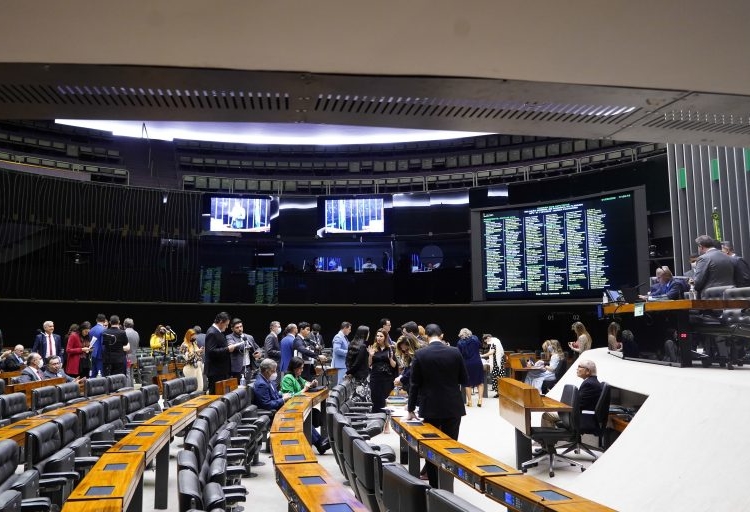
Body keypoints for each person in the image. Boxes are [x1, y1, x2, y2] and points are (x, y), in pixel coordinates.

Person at [405, 324, 468, 488]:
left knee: (431, 448)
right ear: (442, 335)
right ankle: (448, 486)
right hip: (453, 407)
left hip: (430, 407)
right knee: (451, 447)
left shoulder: (420, 353)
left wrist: (411, 408)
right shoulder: (455, 352)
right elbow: (464, 380)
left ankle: (434, 487)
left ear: (426, 336)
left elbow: (414, 384)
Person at [280, 357, 330, 454]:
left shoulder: (297, 377)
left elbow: (306, 384)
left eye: (302, 368)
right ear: (294, 368)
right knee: (304, 418)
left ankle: (320, 441)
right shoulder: (288, 378)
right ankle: (319, 443)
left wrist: (312, 384)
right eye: (300, 368)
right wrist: (304, 390)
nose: (302, 370)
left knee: (311, 415)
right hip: (288, 408)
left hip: (298, 406)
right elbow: (288, 397)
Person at [542, 359, 603, 428]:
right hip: (580, 413)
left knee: (546, 415)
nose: (577, 369)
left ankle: (548, 438)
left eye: (579, 367)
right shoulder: (591, 382)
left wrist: (563, 407)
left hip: (581, 417)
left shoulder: (589, 384)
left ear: (588, 371)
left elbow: (579, 404)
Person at [368, 328, 397, 432]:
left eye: (381, 336)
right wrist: (370, 356)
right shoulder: (373, 348)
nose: (378, 338)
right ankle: (376, 424)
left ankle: (386, 424)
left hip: (387, 378)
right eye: (377, 336)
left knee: (385, 401)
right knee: (376, 400)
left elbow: (394, 366)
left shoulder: (390, 349)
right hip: (375, 377)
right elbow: (369, 365)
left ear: (385, 337)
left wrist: (390, 359)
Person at [205, 312, 239, 393]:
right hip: (215, 372)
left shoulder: (218, 331)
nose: (227, 327)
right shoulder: (212, 332)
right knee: (215, 397)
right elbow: (211, 352)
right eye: (226, 324)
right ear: (221, 322)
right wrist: (227, 349)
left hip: (220, 371)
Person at [226, 318, 263, 384]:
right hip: (237, 369)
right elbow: (234, 346)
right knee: (237, 389)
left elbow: (258, 348)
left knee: (247, 387)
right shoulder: (229, 337)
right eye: (237, 327)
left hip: (248, 367)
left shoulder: (249, 337)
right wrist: (246, 345)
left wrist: (258, 352)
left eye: (241, 326)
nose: (240, 329)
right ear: (232, 329)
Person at [457, 328, 484, 407]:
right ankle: (480, 400)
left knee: (467, 383)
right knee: (480, 382)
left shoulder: (459, 342)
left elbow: (459, 354)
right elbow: (480, 346)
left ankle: (470, 401)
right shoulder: (475, 338)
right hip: (477, 362)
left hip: (466, 364)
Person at [345, 325, 371, 402]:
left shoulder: (352, 343)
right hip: (361, 378)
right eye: (368, 332)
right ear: (364, 334)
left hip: (354, 376)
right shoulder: (362, 346)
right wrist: (349, 372)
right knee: (360, 399)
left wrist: (349, 371)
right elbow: (357, 363)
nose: (369, 334)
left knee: (353, 398)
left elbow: (347, 361)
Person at [89, 313, 108, 377]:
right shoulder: (104, 330)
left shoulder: (91, 329)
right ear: (104, 321)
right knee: (101, 374)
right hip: (101, 355)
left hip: (93, 353)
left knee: (93, 373)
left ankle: (90, 386)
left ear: (96, 320)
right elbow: (103, 344)